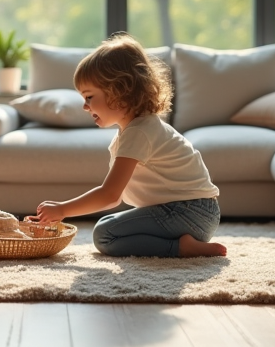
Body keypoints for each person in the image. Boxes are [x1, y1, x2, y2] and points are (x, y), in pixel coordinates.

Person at [29, 34, 227, 258]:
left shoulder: (138, 133)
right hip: (197, 213)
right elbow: (116, 198)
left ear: (120, 91)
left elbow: (110, 194)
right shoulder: (135, 130)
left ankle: (180, 248)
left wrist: (63, 209)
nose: (85, 106)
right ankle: (182, 242)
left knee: (105, 234)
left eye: (89, 97)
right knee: (108, 224)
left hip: (190, 213)